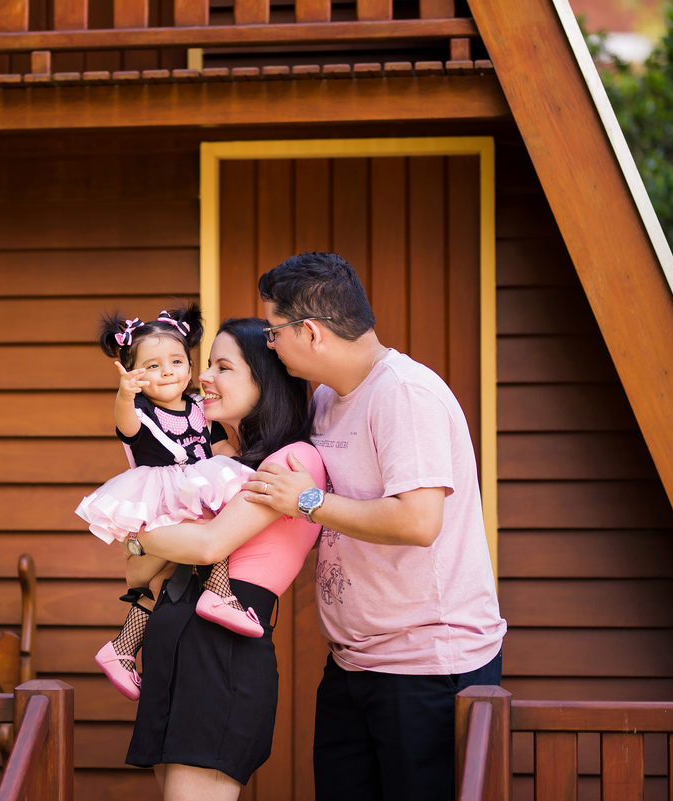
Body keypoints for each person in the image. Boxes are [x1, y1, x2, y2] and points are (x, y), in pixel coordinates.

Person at [245, 252, 507, 801]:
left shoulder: (404, 395)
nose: (270, 345)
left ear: (310, 332)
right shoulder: (324, 398)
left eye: (273, 332)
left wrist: (309, 502)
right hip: (352, 662)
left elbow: (418, 520)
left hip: (426, 667)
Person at [124, 317, 325, 801]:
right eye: (208, 364)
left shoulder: (293, 461)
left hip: (221, 652)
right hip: (171, 643)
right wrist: (145, 545)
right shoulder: (218, 465)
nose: (204, 376)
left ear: (265, 379)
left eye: (223, 366)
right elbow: (136, 572)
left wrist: (139, 535)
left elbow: (208, 546)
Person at [76, 306, 269, 703]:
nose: (167, 372)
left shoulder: (200, 407)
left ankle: (122, 648)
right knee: (207, 525)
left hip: (194, 485)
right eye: (152, 366)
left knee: (162, 577)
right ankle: (219, 592)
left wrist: (242, 467)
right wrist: (125, 394)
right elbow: (126, 425)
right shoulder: (140, 412)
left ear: (190, 366)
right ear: (135, 374)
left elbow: (219, 449)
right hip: (163, 494)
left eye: (176, 361)